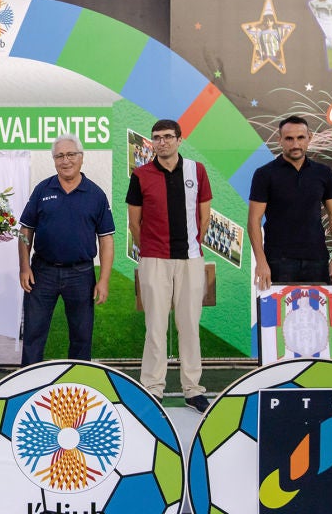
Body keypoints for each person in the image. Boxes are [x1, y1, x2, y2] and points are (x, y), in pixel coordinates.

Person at [126, 120, 211, 413]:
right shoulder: (140, 175)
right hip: (154, 260)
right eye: (156, 138)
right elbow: (134, 222)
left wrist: (191, 245)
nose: (162, 142)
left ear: (179, 139)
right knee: (156, 327)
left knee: (189, 325)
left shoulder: (196, 171)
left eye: (167, 137)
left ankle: (193, 389)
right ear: (152, 143)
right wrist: (150, 250)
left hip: (190, 257)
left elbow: (205, 217)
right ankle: (152, 387)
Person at [18, 134, 115, 365]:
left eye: (71, 154)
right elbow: (25, 231)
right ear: (54, 160)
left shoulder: (96, 195)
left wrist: (104, 280)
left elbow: (106, 239)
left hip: (81, 275)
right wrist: (24, 267)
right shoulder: (43, 190)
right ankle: (27, 386)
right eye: (59, 156)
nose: (66, 160)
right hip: (42, 273)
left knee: (81, 337)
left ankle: (78, 383)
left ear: (81, 158)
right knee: (33, 334)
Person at [248, 116, 332, 290]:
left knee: (318, 317)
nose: (295, 144)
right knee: (280, 317)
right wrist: (261, 261)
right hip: (278, 261)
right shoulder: (264, 174)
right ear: (280, 140)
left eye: (300, 138)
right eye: (289, 138)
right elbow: (253, 221)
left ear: (309, 137)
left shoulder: (323, 173)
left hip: (317, 259)